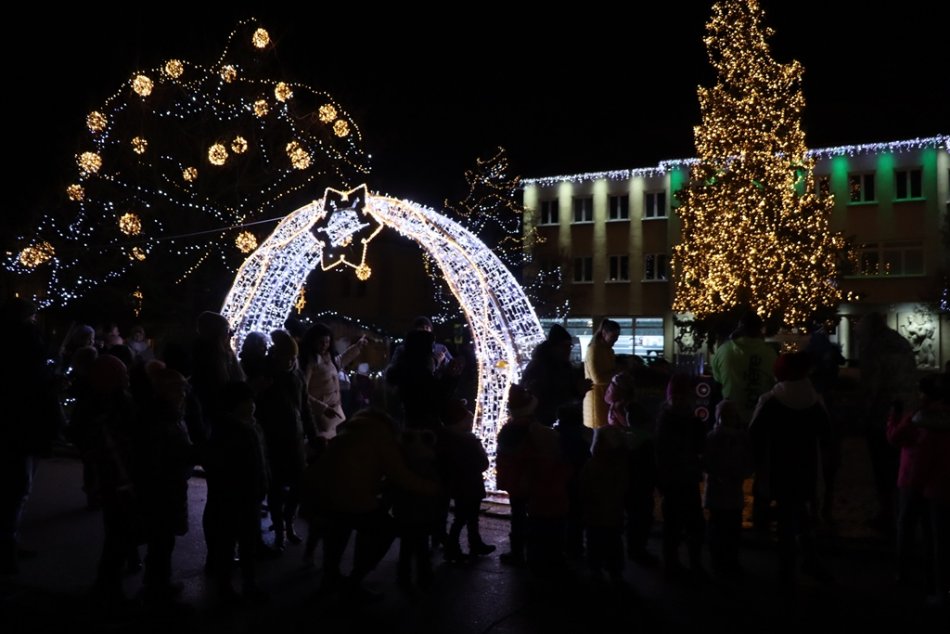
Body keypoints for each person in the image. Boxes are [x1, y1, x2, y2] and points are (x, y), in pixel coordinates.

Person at [583, 319, 621, 430]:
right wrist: (617, 371)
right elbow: (597, 379)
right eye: (613, 336)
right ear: (604, 333)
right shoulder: (594, 350)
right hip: (596, 399)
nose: (616, 339)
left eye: (617, 336)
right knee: (599, 431)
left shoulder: (608, 350)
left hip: (606, 396)